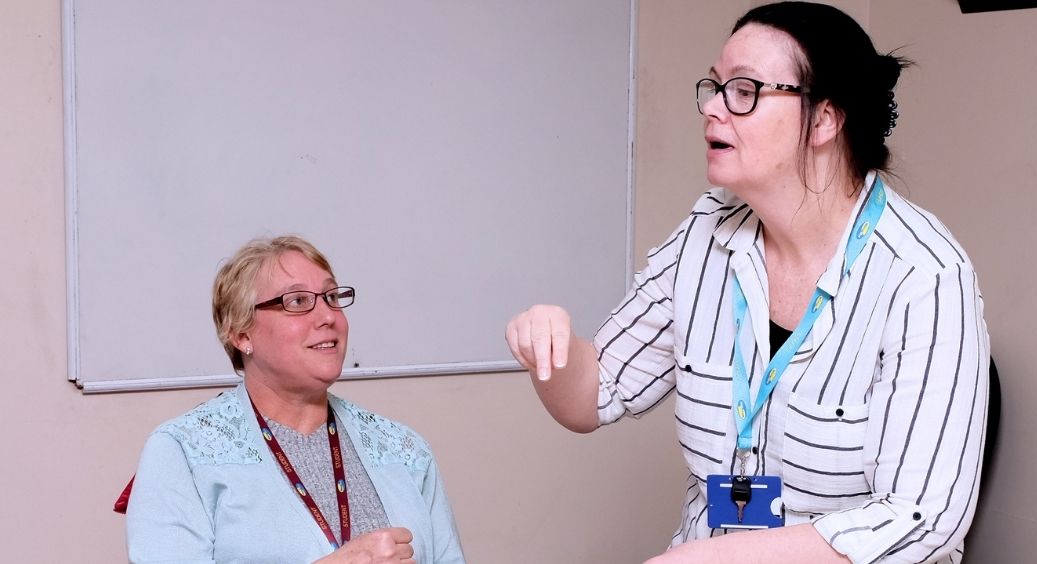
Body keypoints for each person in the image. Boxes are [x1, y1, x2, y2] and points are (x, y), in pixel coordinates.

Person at [505, 3, 988, 563]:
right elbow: (595, 395)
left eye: (744, 90)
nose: (712, 107)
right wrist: (550, 349)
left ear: (826, 118)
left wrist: (701, 560)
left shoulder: (924, 276)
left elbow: (922, 520)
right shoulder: (707, 229)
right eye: (715, 86)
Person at [125, 236, 465, 564]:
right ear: (241, 332)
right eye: (298, 302)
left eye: (332, 297)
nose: (328, 316)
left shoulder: (404, 449)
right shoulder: (180, 452)